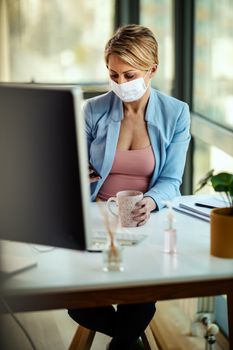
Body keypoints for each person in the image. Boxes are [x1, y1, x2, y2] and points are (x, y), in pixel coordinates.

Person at [68, 24, 190, 350]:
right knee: (77, 300)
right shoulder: (92, 111)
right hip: (97, 220)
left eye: (129, 75)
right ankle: (126, 341)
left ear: (153, 70)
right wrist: (79, 172)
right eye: (113, 74)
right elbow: (68, 170)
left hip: (143, 223)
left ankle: (123, 339)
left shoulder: (176, 114)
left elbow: (171, 181)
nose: (120, 83)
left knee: (139, 302)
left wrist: (150, 201)